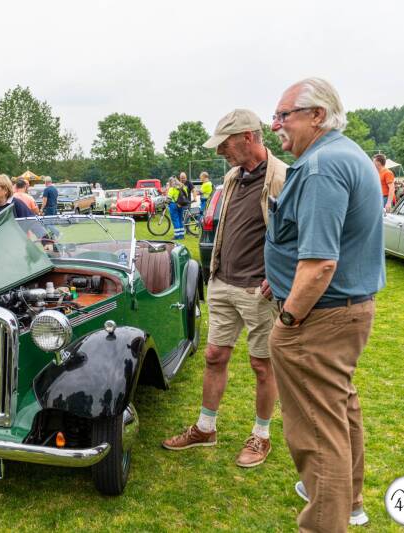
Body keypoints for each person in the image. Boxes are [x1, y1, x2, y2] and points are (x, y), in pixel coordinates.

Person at [267, 78, 384, 531]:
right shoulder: (345, 155)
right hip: (340, 311)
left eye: (284, 115)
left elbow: (319, 265)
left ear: (317, 115)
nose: (276, 125)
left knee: (317, 432)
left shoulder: (321, 167)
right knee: (338, 410)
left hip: (318, 318)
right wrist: (278, 278)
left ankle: (325, 519)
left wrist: (288, 318)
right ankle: (349, 501)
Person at [163, 109, 286, 470]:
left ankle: (261, 435)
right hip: (222, 282)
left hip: (259, 290)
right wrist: (214, 274)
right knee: (215, 355)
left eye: (225, 144)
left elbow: (298, 234)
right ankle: (205, 428)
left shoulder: (282, 177)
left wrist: (280, 275)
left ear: (248, 137)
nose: (220, 152)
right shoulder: (233, 176)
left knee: (262, 365)